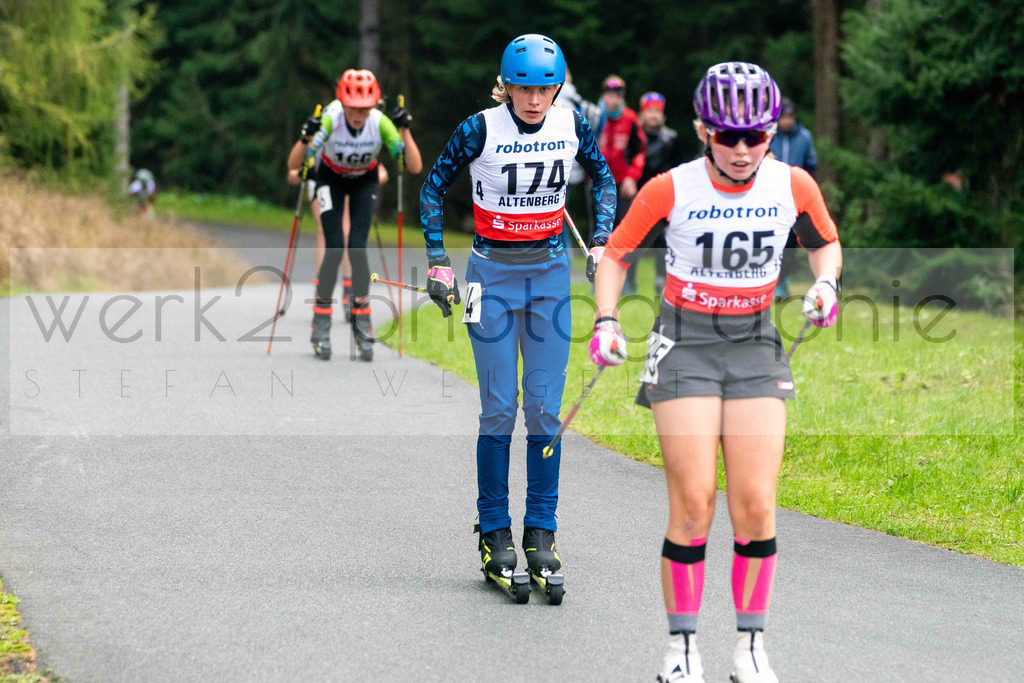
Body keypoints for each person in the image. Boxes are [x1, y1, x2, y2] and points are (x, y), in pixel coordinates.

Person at [589, 62, 842, 682]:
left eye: (753, 136)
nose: (740, 149)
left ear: (770, 134)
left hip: (755, 343)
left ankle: (751, 647)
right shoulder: (671, 188)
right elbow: (617, 255)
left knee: (756, 505)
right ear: (703, 128)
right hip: (686, 344)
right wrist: (604, 319)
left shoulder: (793, 185)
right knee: (696, 502)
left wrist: (827, 283)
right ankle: (681, 650)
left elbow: (824, 243)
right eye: (726, 136)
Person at [418, 34, 615, 594]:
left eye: (545, 88)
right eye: (524, 88)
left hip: (550, 278)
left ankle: (542, 533)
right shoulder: (480, 128)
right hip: (492, 278)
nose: (534, 100)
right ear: (505, 86)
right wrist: (438, 261)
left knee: (546, 413)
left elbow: (603, 177)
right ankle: (495, 531)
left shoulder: (571, 123)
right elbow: (432, 189)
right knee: (500, 410)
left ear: (558, 86)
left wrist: (601, 241)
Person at [302, 69, 422, 361]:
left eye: (365, 109)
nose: (358, 114)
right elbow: (300, 161)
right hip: (330, 179)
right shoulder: (331, 120)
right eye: (353, 108)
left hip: (363, 183)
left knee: (356, 247)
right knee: (333, 247)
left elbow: (414, 167)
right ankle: (321, 321)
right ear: (342, 103)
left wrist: (404, 129)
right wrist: (306, 138)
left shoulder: (380, 124)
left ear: (374, 106)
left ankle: (362, 319)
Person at [287, 122, 389, 321]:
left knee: (347, 233)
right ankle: (322, 289)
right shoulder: (317, 140)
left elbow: (382, 172)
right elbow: (292, 174)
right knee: (325, 231)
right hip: (322, 186)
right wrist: (303, 174)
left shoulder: (356, 141)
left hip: (350, 186)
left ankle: (348, 288)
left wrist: (369, 181)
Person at [596, 75, 646, 293]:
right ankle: (596, 280)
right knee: (598, 233)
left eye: (617, 95)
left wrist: (631, 177)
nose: (612, 99)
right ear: (603, 95)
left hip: (622, 184)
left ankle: (627, 282)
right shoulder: (595, 117)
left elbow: (640, 150)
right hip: (599, 183)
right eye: (609, 95)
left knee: (625, 232)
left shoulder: (631, 119)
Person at [768, 98, 818, 301]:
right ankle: (772, 282)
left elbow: (812, 163)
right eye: (784, 117)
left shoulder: (804, 137)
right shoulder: (770, 137)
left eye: (790, 117)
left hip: (795, 197)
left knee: (790, 242)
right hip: (771, 196)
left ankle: (783, 281)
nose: (787, 121)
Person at [638, 91, 685, 296]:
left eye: (657, 111)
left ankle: (661, 279)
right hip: (639, 193)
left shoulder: (671, 138)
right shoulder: (636, 135)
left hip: (665, 195)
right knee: (636, 238)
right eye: (650, 112)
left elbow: (678, 167)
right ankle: (628, 280)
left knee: (664, 239)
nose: (653, 116)